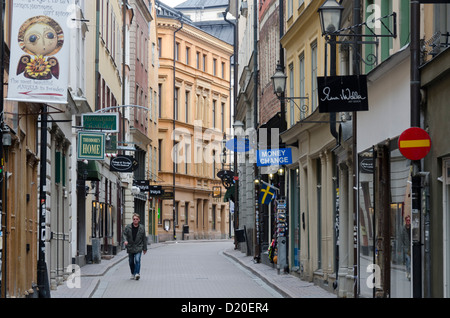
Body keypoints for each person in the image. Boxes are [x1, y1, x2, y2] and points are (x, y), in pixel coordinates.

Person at [123, 213, 148, 280]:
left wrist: (145, 248)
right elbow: (124, 235)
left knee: (137, 260)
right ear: (132, 220)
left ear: (139, 220)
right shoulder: (128, 227)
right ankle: (132, 273)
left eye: (136, 219)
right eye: (134, 219)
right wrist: (125, 240)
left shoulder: (142, 228)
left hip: (138, 246)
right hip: (130, 246)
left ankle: (137, 273)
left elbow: (144, 239)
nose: (135, 220)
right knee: (131, 261)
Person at [401, 215, 411, 280]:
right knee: (408, 261)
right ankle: (408, 273)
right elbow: (402, 240)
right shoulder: (403, 229)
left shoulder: (412, 228)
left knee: (409, 262)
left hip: (411, 247)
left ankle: (409, 272)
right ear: (405, 221)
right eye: (407, 220)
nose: (408, 221)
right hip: (406, 249)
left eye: (409, 220)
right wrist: (404, 248)